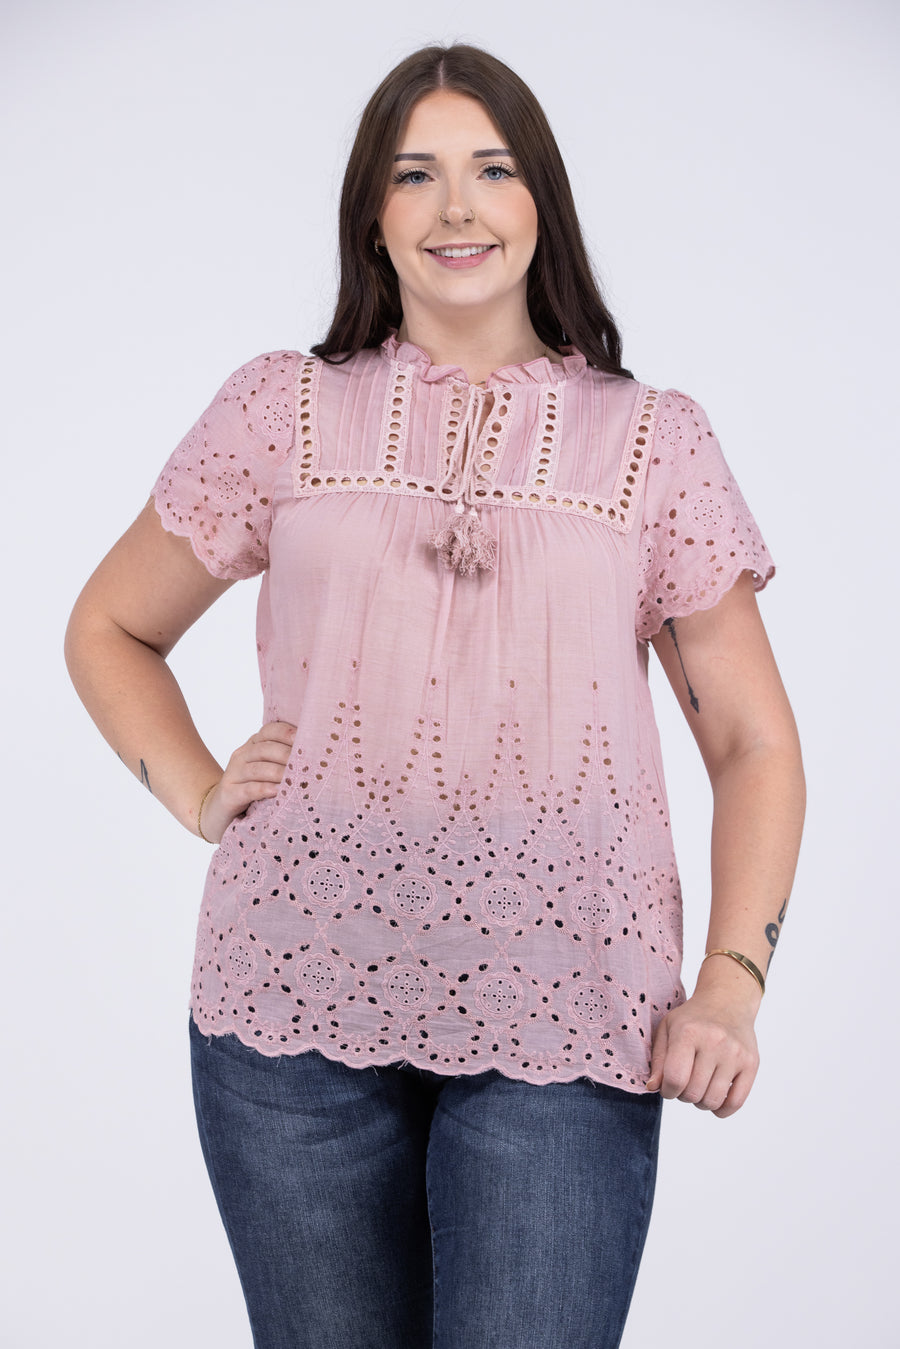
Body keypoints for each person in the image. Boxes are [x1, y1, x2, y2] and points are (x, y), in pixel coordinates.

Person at [65, 42, 805, 1349]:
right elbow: (110, 627)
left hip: (570, 1017)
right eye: (416, 175)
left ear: (541, 201)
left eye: (491, 169)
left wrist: (731, 985)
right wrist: (198, 791)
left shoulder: (653, 442)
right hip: (288, 1019)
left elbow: (751, 741)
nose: (457, 207)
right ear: (373, 212)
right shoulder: (280, 410)